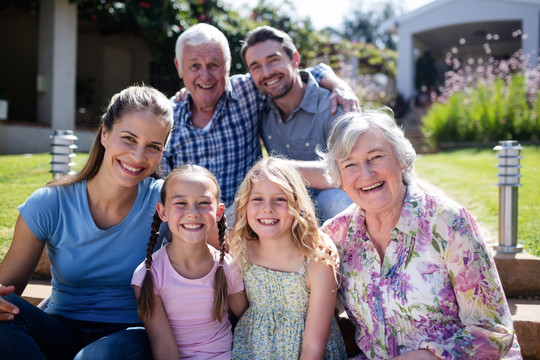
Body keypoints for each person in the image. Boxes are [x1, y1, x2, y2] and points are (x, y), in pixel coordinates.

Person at [319, 109, 522, 359]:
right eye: (350, 164)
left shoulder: (448, 223)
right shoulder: (336, 234)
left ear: (401, 159)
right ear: (339, 178)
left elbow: (493, 331)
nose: (366, 173)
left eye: (376, 156)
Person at [0, 85, 174, 360]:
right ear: (104, 133)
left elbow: (217, 260)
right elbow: (6, 292)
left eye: (153, 147)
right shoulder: (50, 203)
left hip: (129, 336)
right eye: (128, 139)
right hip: (60, 331)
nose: (138, 156)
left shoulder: (165, 200)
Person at [162, 23, 360, 228]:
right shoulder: (167, 119)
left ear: (228, 65)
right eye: (194, 66)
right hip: (193, 223)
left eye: (214, 64)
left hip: (247, 218)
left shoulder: (247, 93)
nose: (205, 76)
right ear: (179, 67)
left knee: (332, 201)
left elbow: (297, 74)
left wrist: (340, 85)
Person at [229, 157, 348, 359]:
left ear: (297, 205)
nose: (268, 208)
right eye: (257, 199)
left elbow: (313, 350)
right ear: (244, 205)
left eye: (280, 199)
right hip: (253, 351)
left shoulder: (317, 263)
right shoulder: (240, 249)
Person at [132, 164, 248, 360]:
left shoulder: (227, 267)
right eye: (180, 203)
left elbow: (249, 322)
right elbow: (164, 348)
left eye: (203, 203)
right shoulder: (148, 274)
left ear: (219, 212)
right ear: (163, 212)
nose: (193, 212)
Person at [241, 25, 352, 222]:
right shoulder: (261, 109)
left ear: (295, 60)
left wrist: (280, 168)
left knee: (333, 200)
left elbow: (349, 171)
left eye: (273, 60)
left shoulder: (333, 106)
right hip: (292, 207)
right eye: (256, 66)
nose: (266, 72)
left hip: (337, 203)